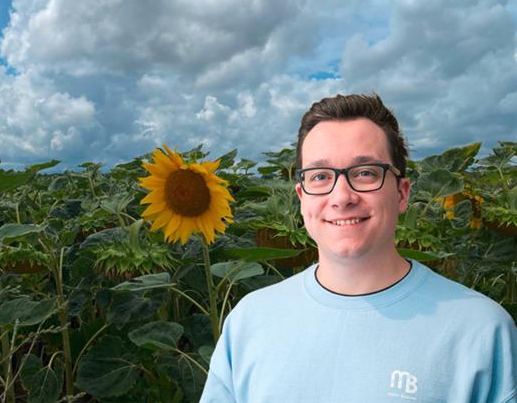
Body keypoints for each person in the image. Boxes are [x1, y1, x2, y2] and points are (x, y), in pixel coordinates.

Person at [200, 93, 516, 402]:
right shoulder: (248, 322)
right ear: (301, 198)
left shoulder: (480, 332)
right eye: (320, 176)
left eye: (365, 173)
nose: (341, 197)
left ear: (402, 193)